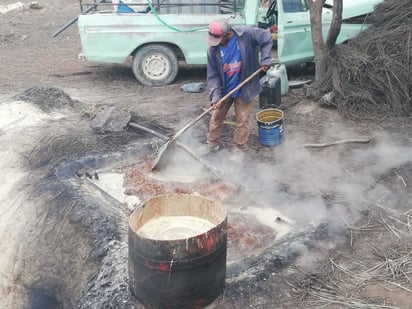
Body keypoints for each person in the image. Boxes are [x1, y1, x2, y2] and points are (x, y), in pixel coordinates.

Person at [202, 18, 273, 157]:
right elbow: (213, 76)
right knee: (216, 117)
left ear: (228, 33)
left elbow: (267, 36)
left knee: (242, 121)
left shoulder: (246, 34)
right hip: (224, 91)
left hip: (244, 88)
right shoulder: (213, 51)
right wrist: (216, 96)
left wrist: (265, 58)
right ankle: (212, 144)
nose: (215, 43)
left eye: (218, 39)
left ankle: (239, 149)